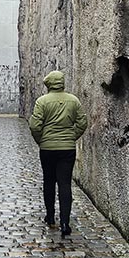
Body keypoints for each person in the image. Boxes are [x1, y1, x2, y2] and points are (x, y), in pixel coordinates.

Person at [29, 70, 88, 236]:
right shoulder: (73, 100)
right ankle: (65, 222)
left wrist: (41, 140)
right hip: (67, 149)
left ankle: (50, 216)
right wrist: (71, 136)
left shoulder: (42, 101)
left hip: (47, 149)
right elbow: (82, 122)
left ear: (48, 84)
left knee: (49, 181)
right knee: (65, 184)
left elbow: (35, 126)